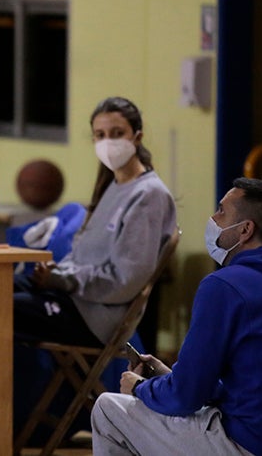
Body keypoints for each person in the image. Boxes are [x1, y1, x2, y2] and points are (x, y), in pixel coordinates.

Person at [92, 177, 262, 456]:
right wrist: (172, 378)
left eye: (221, 211)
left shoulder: (225, 285)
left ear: (245, 229)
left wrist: (140, 389)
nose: (213, 219)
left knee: (109, 409)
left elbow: (185, 399)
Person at [12, 96, 176, 440]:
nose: (108, 142)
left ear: (137, 137)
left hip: (97, 317)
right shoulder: (112, 186)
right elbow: (84, 255)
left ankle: (11, 422)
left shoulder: (148, 195)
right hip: (75, 300)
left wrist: (65, 281)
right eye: (100, 135)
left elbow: (126, 279)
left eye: (117, 132)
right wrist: (55, 276)